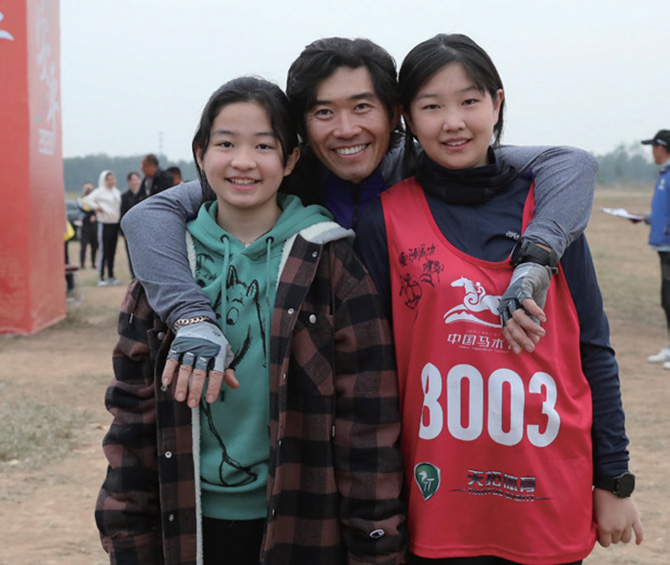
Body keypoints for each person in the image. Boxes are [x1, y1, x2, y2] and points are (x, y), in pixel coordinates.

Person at [120, 37, 598, 408]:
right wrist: (192, 317)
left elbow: (570, 163)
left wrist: (537, 254)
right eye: (324, 112)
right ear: (300, 127)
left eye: (362, 107)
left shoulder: (430, 166)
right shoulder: (281, 181)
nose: (346, 129)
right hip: (322, 408)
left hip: (431, 406)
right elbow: (149, 214)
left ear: (395, 114)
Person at [355, 33, 643, 564]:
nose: (453, 122)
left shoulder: (551, 210)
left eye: (469, 101)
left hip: (547, 493)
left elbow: (593, 351)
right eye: (431, 106)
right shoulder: (383, 219)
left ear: (497, 103)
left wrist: (614, 480)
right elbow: (373, 373)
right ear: (407, 118)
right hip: (437, 500)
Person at [95, 76, 407, 564]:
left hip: (304, 521)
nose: (243, 161)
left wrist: (376, 545)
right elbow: (131, 422)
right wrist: (127, 538)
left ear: (291, 159)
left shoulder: (330, 263)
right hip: (187, 522)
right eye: (226, 144)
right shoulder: (167, 270)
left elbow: (367, 426)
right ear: (200, 155)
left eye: (263, 145)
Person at [637, 130, 670, 366]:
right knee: (666, 298)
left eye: (653, 147)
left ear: (661, 147)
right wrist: (646, 217)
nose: (651, 152)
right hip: (663, 246)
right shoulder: (664, 174)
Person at [82, 170, 121, 286]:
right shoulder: (99, 192)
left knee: (112, 251)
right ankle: (101, 276)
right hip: (104, 223)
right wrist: (96, 207)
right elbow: (87, 200)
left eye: (112, 179)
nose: (111, 181)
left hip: (115, 223)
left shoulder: (116, 192)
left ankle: (111, 275)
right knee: (104, 250)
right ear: (104, 180)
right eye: (108, 179)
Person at [120, 171, 142, 277]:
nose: (134, 182)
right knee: (131, 255)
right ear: (129, 182)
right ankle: (134, 276)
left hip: (143, 229)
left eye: (136, 179)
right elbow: (122, 214)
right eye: (132, 180)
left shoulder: (145, 195)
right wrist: (123, 232)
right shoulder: (124, 197)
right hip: (130, 231)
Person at [77, 182, 98, 269]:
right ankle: (82, 263)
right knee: (83, 245)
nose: (88, 190)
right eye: (87, 188)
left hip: (94, 225)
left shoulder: (96, 199)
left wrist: (94, 214)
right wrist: (92, 212)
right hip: (85, 224)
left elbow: (98, 208)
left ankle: (93, 263)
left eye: (90, 188)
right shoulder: (81, 199)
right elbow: (83, 208)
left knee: (94, 245)